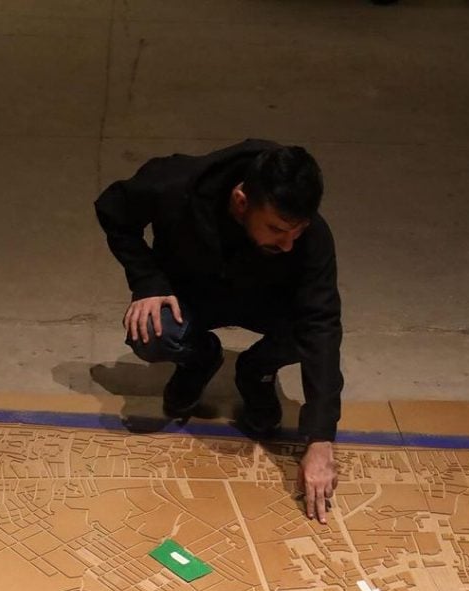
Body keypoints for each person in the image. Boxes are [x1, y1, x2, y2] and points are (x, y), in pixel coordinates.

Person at [94, 139, 343, 524]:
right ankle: (198, 360)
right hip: (193, 296)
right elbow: (113, 210)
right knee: (152, 330)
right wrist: (148, 281)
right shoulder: (173, 184)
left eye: (298, 230)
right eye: (277, 229)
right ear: (241, 201)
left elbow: (322, 326)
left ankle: (256, 372)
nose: (289, 243)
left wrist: (321, 437)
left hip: (265, 303)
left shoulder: (310, 239)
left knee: (309, 331)